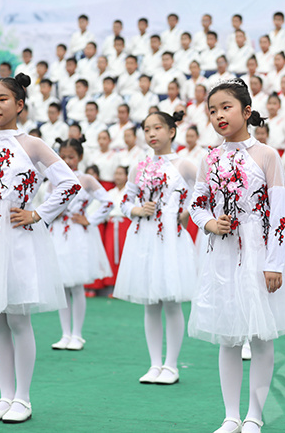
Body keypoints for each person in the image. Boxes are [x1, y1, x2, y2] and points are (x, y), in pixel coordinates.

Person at [0, 74, 81, 423]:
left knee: (18, 320)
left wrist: (37, 214)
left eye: (3, 99)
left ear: (20, 104)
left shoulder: (33, 144)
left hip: (18, 241)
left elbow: (69, 183)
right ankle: (4, 396)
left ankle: (23, 398)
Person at [188, 79, 285, 433]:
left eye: (226, 107)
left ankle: (254, 415)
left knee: (260, 335)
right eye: (212, 110)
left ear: (247, 111)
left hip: (258, 251)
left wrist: (275, 263)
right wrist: (210, 222)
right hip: (222, 254)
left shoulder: (267, 155)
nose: (219, 115)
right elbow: (197, 203)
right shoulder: (209, 158)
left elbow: (280, 211)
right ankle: (230, 415)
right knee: (228, 335)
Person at [114, 111, 198, 386]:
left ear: (171, 131)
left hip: (171, 240)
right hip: (144, 239)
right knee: (150, 304)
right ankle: (154, 364)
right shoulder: (139, 166)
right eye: (147, 129)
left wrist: (186, 213)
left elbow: (204, 195)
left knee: (172, 303)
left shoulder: (184, 165)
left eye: (157, 128)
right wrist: (137, 209)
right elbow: (125, 202)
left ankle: (171, 365)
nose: (151, 134)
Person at [50, 137, 113, 351]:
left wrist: (90, 219)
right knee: (62, 287)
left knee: (76, 286)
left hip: (78, 234)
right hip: (58, 234)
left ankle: (77, 334)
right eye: (63, 157)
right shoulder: (53, 179)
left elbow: (108, 202)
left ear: (80, 157)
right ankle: (64, 333)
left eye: (72, 157)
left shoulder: (86, 180)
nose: (67, 161)